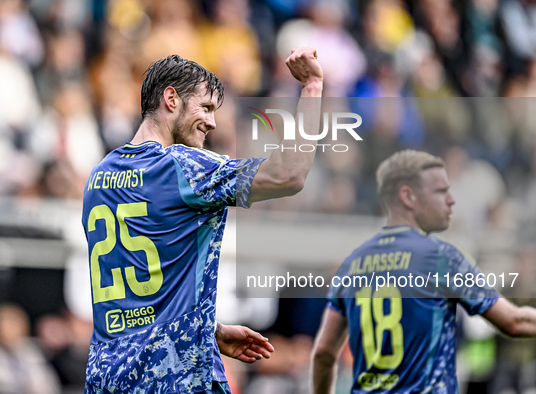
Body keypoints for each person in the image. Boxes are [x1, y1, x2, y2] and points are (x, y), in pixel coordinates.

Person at [82, 46, 323, 394]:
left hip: (108, 377)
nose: (212, 122)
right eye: (206, 108)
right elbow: (289, 175)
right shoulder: (183, 166)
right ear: (171, 99)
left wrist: (208, 330)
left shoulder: (99, 177)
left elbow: (133, 294)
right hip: (175, 376)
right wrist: (312, 87)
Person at [311, 150, 536, 394]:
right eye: (439, 191)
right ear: (408, 197)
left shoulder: (353, 265)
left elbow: (323, 354)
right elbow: (514, 322)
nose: (450, 200)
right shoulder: (442, 257)